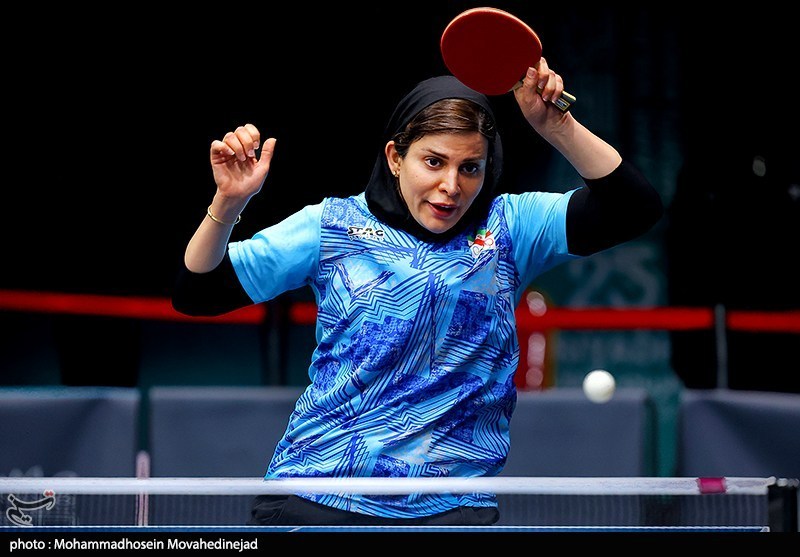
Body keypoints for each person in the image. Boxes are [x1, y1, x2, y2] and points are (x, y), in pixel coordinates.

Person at [172, 58, 663, 526]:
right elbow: (199, 291)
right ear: (395, 157)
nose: (451, 185)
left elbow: (634, 207)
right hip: (317, 493)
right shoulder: (332, 226)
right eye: (433, 162)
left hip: (450, 509)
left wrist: (557, 126)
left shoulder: (511, 228)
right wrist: (228, 204)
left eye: (470, 167)